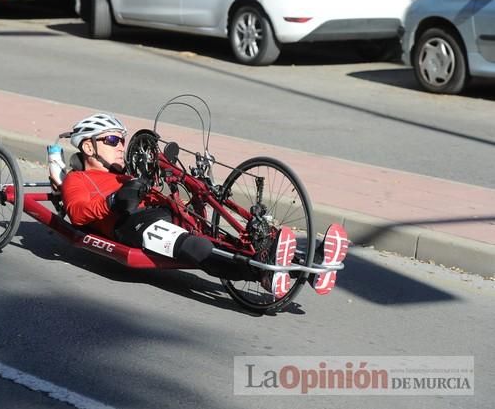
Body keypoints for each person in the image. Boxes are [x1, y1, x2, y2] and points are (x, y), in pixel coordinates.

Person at [61, 113, 347, 297]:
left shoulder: (127, 172)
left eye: (122, 139)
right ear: (88, 147)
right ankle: (260, 273)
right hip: (133, 224)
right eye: (112, 139)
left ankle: (312, 260)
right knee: (197, 247)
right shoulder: (79, 180)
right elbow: (76, 212)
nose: (121, 145)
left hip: (167, 213)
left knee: (224, 239)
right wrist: (116, 199)